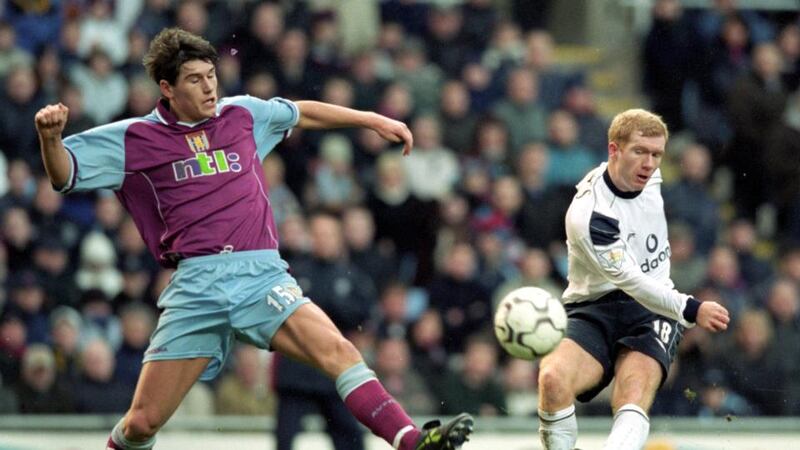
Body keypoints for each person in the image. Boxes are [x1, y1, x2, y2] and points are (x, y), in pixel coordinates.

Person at [34, 28, 473, 450]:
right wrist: (50, 138)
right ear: (166, 88)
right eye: (194, 80)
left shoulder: (242, 114)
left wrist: (370, 119)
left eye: (211, 76)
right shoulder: (134, 138)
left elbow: (301, 112)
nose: (209, 88)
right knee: (142, 422)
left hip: (261, 275)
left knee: (339, 350)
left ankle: (413, 441)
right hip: (196, 287)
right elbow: (65, 175)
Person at [536, 109, 730, 450]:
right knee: (552, 380)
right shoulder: (590, 215)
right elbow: (630, 280)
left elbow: (644, 290)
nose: (650, 163)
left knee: (633, 392)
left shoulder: (652, 177)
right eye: (640, 151)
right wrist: (691, 307)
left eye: (657, 154)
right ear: (614, 151)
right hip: (593, 308)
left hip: (651, 308)